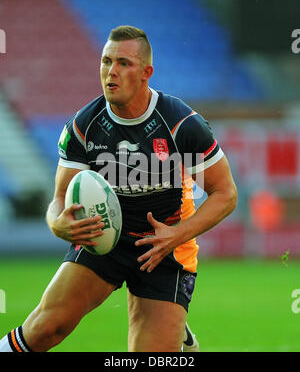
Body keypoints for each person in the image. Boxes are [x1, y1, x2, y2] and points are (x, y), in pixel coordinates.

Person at [0, 25, 237, 352]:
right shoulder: (84, 125)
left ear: (145, 72)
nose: (111, 71)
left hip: (164, 248)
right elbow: (58, 199)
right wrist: (57, 222)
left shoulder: (181, 124)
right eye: (106, 61)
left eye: (124, 63)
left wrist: (177, 235)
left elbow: (226, 194)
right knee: (45, 328)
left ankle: (174, 329)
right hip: (103, 241)